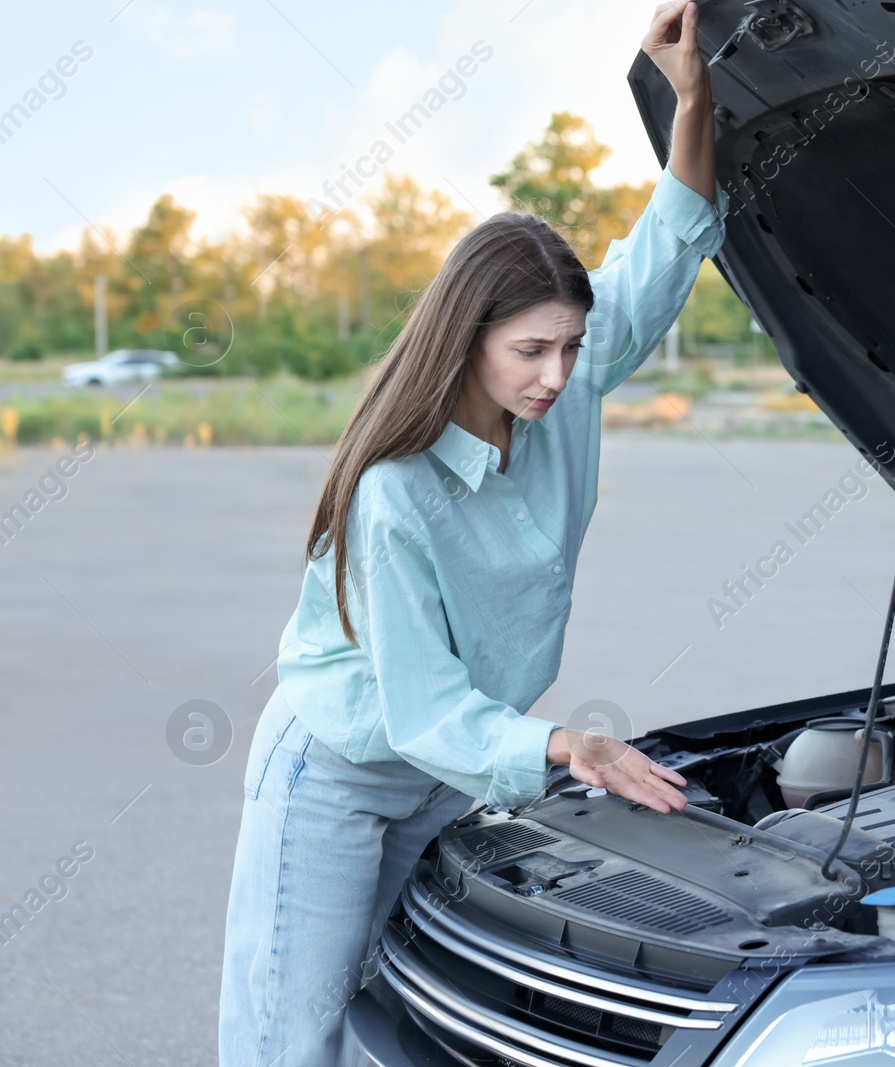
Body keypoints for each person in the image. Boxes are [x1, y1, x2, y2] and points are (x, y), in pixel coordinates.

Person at [216, 4, 720, 1063]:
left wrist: (694, 95)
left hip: (451, 768)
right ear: (469, 338)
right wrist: (568, 745)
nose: (557, 374)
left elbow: (666, 245)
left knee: (396, 1013)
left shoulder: (565, 393)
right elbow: (424, 706)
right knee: (293, 1033)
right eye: (530, 348)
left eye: (572, 346)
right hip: (344, 768)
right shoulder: (392, 492)